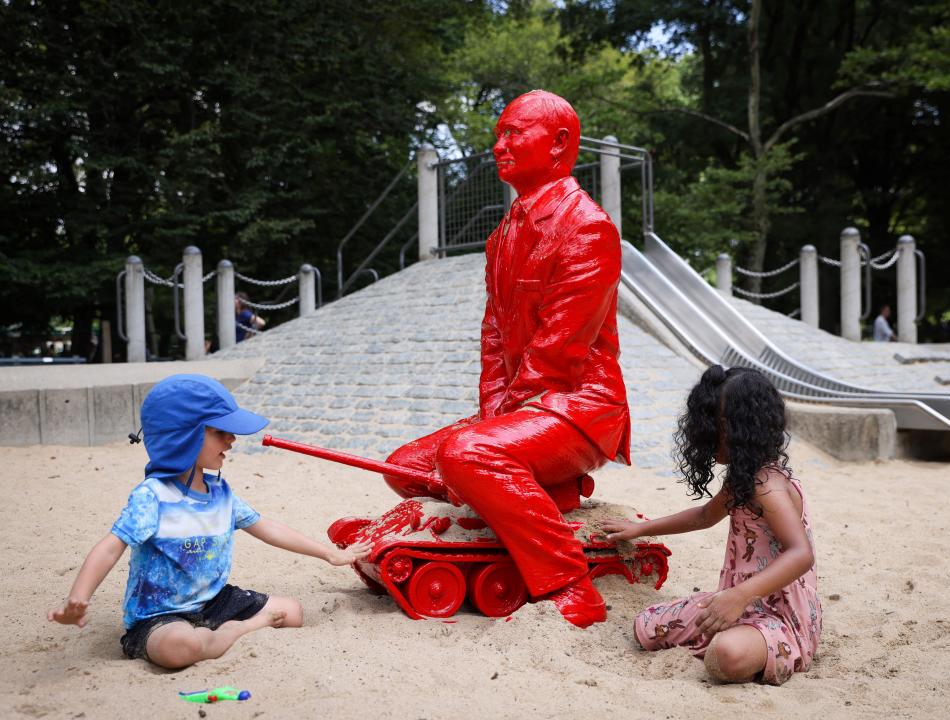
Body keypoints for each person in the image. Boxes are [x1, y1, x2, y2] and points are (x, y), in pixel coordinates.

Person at [381, 90, 629, 629]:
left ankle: (571, 583)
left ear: (560, 143)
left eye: (513, 132)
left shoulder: (589, 228)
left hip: (577, 407)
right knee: (404, 466)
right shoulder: (504, 233)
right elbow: (494, 334)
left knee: (467, 455)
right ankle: (540, 491)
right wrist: (497, 410)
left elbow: (558, 351)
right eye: (499, 134)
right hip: (522, 409)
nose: (499, 146)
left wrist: (495, 425)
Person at [47, 374, 371, 669]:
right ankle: (240, 630)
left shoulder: (220, 493)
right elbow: (109, 547)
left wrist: (329, 554)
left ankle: (222, 632)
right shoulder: (154, 496)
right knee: (178, 648)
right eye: (220, 432)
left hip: (215, 602)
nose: (231, 439)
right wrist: (78, 597)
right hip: (160, 616)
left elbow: (266, 527)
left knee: (294, 612)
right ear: (184, 436)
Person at [602, 366, 820, 685]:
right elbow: (704, 516)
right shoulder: (741, 479)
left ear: (739, 428)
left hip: (779, 616)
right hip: (736, 602)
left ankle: (755, 643)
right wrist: (642, 529)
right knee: (645, 627)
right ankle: (733, 629)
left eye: (712, 425)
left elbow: (801, 554)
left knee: (725, 658)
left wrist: (740, 596)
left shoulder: (767, 485)